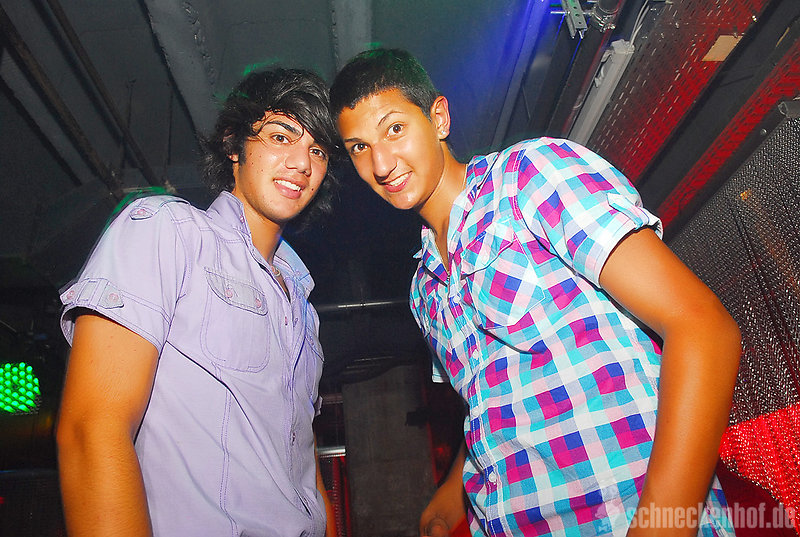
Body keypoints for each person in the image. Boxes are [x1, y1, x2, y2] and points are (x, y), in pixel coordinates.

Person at [330, 48, 741, 537]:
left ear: (438, 118)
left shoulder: (526, 178)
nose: (380, 163)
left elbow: (701, 326)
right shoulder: (423, 290)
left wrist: (661, 525)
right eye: (359, 147)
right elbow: (493, 407)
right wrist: (444, 504)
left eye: (394, 129)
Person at [56, 67, 340, 537]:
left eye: (317, 150)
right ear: (233, 145)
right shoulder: (167, 230)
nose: (301, 163)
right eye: (280, 136)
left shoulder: (303, 308)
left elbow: (300, 462)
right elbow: (94, 429)